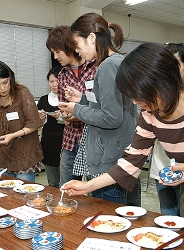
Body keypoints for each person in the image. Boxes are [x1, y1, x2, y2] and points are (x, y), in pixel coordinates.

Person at [63, 42, 184, 226]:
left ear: (163, 82)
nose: (136, 102)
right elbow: (131, 161)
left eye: (140, 95)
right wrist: (88, 186)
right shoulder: (150, 114)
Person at [59, 13, 138, 205]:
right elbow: (110, 103)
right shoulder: (118, 62)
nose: (78, 52)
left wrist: (76, 109)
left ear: (92, 38)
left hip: (109, 159)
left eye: (78, 45)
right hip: (119, 156)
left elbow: (111, 117)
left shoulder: (108, 67)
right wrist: (83, 99)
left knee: (108, 219)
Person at [150, 42, 184, 216]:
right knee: (168, 216)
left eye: (175, 65)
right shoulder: (155, 97)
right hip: (163, 167)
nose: (168, 71)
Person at [46, 25, 97, 187]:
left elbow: (101, 110)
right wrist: (68, 115)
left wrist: (77, 112)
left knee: (94, 190)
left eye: (57, 51)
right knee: (66, 189)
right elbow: (64, 111)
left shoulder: (96, 69)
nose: (55, 57)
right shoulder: (62, 75)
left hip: (92, 142)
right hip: (69, 141)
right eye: (52, 53)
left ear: (69, 46)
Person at [0, 61, 43, 182]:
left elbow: (34, 123)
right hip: (5, 157)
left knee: (23, 195)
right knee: (7, 197)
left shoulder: (22, 93)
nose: (2, 88)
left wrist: (13, 135)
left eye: (5, 82)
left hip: (25, 155)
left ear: (11, 77)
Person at [37, 66, 64, 188]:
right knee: (52, 183)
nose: (54, 84)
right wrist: (42, 119)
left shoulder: (69, 99)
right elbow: (37, 123)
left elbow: (77, 121)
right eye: (51, 81)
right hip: (48, 144)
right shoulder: (43, 100)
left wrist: (61, 117)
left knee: (67, 183)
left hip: (66, 144)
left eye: (57, 81)